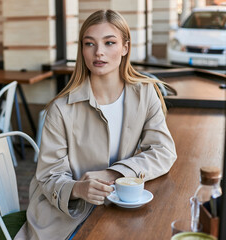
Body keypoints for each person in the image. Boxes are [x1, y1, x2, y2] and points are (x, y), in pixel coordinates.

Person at [15, 9, 177, 240]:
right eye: (89, 44)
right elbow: (49, 177)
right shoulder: (61, 109)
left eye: (109, 42)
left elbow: (164, 151)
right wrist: (78, 189)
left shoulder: (145, 93)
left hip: (117, 207)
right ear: (82, 49)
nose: (98, 52)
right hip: (67, 217)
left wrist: (112, 174)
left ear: (125, 47)